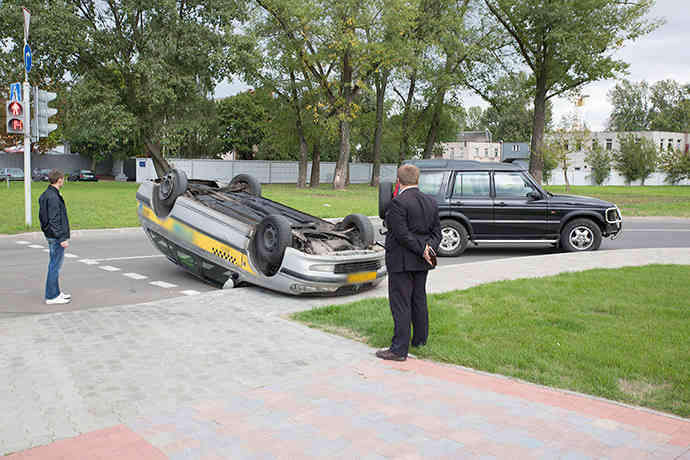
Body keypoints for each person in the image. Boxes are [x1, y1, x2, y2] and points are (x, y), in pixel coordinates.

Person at [377, 164, 441, 361]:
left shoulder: (397, 203)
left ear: (399, 181)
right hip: (422, 261)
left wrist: (422, 249)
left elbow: (401, 234)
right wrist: (428, 248)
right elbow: (437, 233)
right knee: (418, 299)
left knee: (401, 303)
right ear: (417, 179)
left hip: (402, 261)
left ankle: (398, 349)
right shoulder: (431, 201)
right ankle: (420, 339)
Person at [39, 169, 72, 305]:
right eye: (63, 179)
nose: (63, 181)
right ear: (59, 180)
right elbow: (54, 220)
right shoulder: (53, 197)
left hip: (51, 235)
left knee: (54, 265)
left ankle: (56, 292)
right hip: (56, 237)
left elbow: (42, 217)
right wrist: (61, 238)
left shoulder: (46, 194)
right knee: (55, 266)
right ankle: (52, 296)